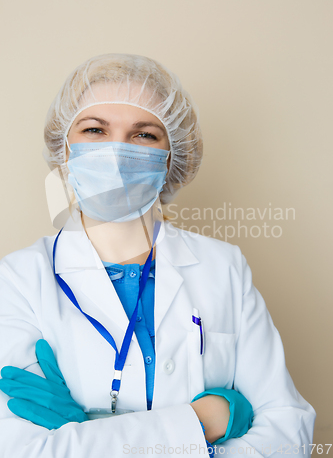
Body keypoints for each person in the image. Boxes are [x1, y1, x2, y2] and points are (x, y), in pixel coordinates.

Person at [0, 54, 315, 457]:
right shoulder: (20, 279)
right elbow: (22, 451)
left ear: (173, 157)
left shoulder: (224, 267)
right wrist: (204, 422)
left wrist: (88, 437)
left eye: (144, 135)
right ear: (63, 149)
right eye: (95, 129)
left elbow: (289, 428)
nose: (116, 152)